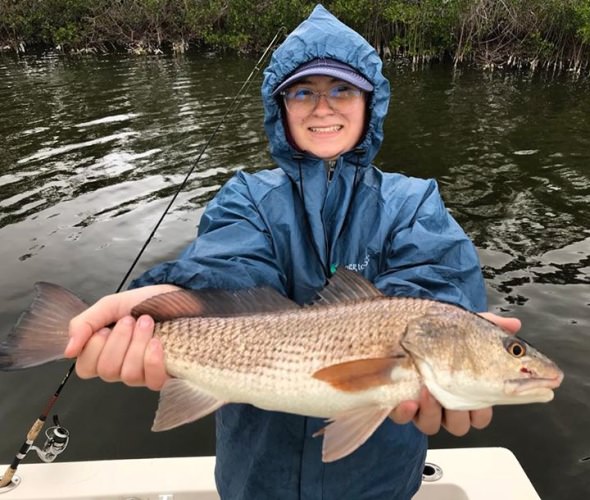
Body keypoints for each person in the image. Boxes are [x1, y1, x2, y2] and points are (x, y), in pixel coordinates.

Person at [65, 5, 520, 499]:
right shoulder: (245, 196)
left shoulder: (413, 203)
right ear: (280, 107)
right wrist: (155, 303)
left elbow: (436, 291)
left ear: (371, 102)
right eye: (304, 92)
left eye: (342, 90)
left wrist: (449, 352)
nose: (323, 108)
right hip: (257, 476)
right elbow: (225, 275)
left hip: (378, 480)